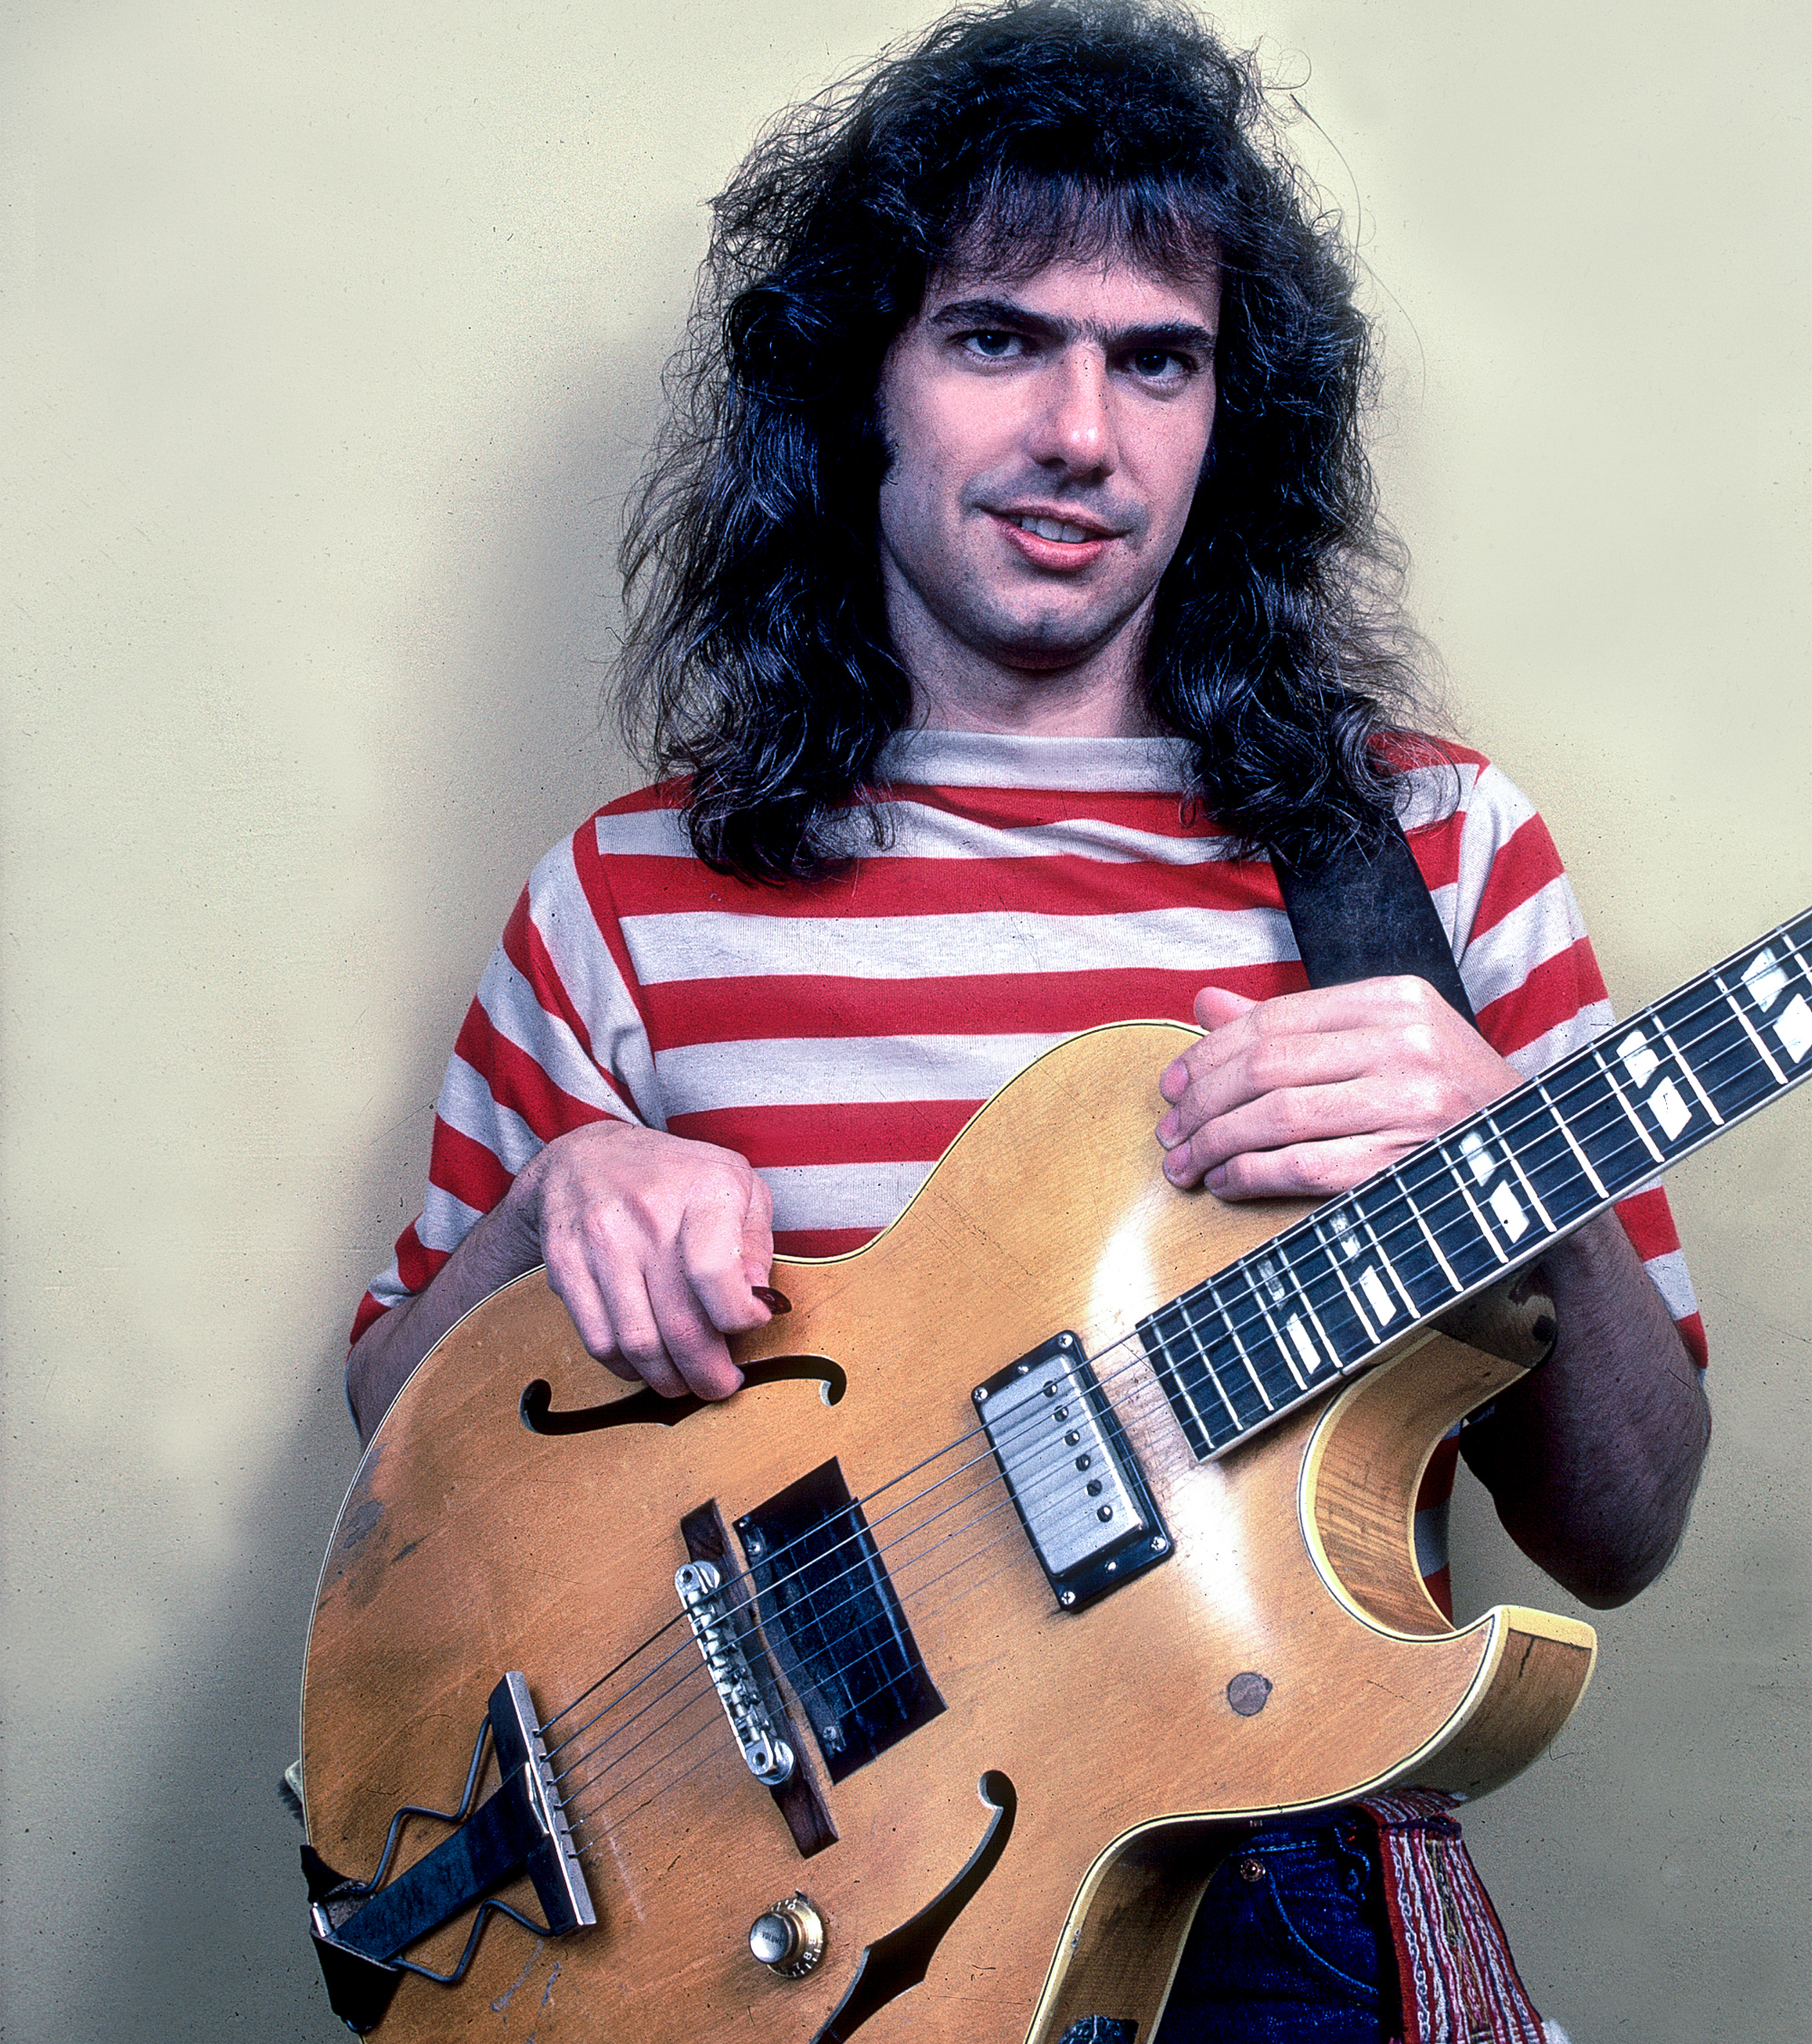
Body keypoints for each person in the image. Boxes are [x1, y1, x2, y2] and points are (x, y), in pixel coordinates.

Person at [344, 3, 1711, 2037]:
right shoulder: (636, 894)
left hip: (1275, 1903)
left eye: (1155, 359)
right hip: (773, 1927)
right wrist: (549, 1214)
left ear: (1224, 420)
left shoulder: (1428, 859)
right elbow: (403, 1447)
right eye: (999, 336)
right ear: (860, 389)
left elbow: (1622, 1525)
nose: (1082, 430)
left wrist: (1527, 1165)